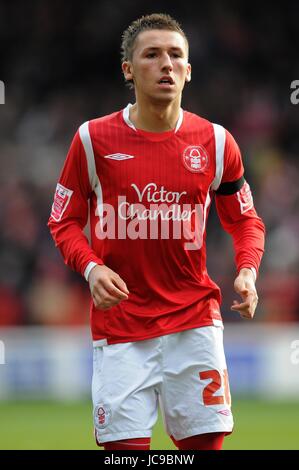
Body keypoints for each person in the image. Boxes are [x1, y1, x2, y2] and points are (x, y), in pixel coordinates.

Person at [48, 13, 265, 451]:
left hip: (194, 322)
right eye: (152, 54)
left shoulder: (217, 142)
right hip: (121, 327)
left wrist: (247, 270)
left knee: (204, 445)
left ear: (188, 70)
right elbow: (64, 220)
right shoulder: (92, 140)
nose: (166, 63)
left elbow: (244, 219)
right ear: (128, 69)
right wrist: (91, 269)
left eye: (175, 55)